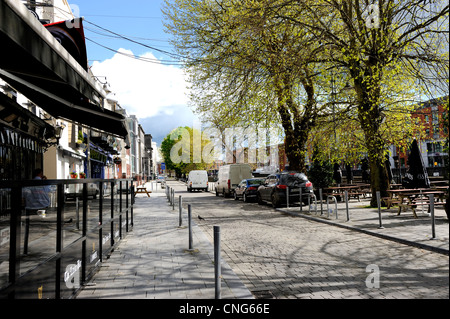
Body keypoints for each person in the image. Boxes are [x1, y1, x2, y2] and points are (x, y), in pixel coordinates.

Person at [22, 168, 51, 254]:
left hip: (30, 208)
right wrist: (46, 181)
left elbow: (23, 194)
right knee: (43, 223)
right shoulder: (43, 183)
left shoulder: (29, 184)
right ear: (40, 173)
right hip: (42, 207)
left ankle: (27, 247)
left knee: (30, 226)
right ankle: (43, 244)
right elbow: (49, 190)